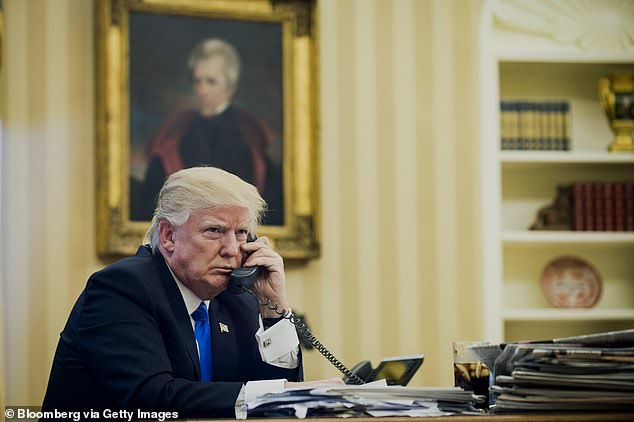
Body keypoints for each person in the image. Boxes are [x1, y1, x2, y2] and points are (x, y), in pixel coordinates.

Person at [42, 167, 341, 419]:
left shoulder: (236, 299)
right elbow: (155, 399)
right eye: (214, 231)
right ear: (169, 236)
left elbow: (276, 402)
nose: (232, 250)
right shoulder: (121, 289)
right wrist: (282, 393)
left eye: (240, 233)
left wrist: (273, 308)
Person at [131, 38, 284, 225]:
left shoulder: (250, 135)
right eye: (197, 82)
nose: (201, 90)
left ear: (230, 88)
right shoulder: (176, 131)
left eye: (211, 82)